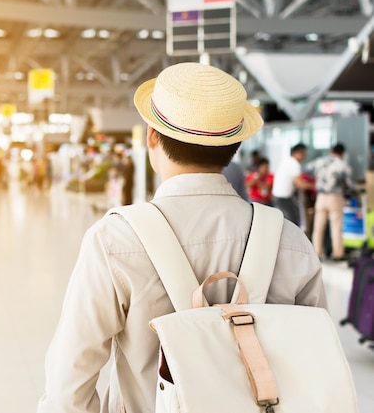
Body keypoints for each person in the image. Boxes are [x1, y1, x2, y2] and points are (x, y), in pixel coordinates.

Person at [37, 62, 326, 413]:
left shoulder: (116, 238)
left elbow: (71, 374)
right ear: (234, 145)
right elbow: (315, 361)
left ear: (151, 137)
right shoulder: (290, 240)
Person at [305, 143, 354, 261]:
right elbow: (350, 184)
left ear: (331, 151)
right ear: (342, 153)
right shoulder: (342, 165)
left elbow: (307, 169)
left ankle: (316, 253)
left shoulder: (320, 161)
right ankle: (337, 254)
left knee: (318, 227)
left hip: (320, 197)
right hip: (335, 197)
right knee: (336, 226)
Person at [271, 143, 314, 226]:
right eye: (304, 154)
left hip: (279, 197)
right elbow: (300, 183)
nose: (305, 157)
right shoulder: (294, 164)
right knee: (292, 224)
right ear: (298, 153)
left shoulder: (287, 161)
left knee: (290, 222)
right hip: (283, 198)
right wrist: (315, 186)